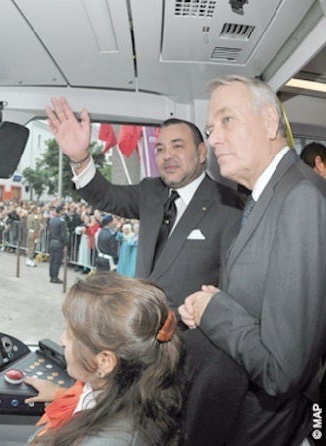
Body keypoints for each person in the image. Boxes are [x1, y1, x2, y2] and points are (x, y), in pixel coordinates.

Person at [179, 74, 326, 445]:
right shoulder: (266, 196)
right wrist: (210, 305)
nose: (213, 138)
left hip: (269, 420)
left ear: (270, 122)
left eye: (227, 120)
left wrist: (214, 310)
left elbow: (282, 370)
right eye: (211, 128)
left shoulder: (300, 198)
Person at [45, 97, 243, 311]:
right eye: (159, 149)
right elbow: (106, 196)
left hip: (194, 338)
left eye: (177, 146)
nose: (167, 155)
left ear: (202, 152)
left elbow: (236, 287)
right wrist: (79, 157)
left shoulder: (230, 206)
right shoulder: (151, 192)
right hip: (142, 330)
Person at [24, 272, 183, 446]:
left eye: (70, 334)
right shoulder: (136, 393)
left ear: (104, 361)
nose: (62, 339)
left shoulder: (103, 441)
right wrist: (59, 394)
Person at [48, 204, 68, 284]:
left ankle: (51, 275)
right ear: (60, 211)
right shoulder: (61, 221)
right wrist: (66, 244)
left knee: (52, 260)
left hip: (52, 241)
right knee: (57, 260)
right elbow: (63, 234)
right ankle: (55, 276)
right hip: (59, 243)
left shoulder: (52, 220)